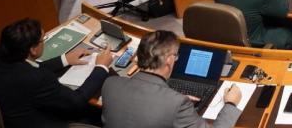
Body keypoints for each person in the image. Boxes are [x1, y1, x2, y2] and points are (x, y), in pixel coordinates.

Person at [0, 18, 112, 128]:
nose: (44, 42)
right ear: (32, 49)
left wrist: (65, 59)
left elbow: (27, 67)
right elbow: (76, 102)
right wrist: (101, 67)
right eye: (43, 39)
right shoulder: (38, 79)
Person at [101, 30, 242, 128]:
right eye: (176, 56)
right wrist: (230, 104)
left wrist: (171, 97)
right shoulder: (177, 103)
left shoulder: (110, 83)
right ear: (169, 60)